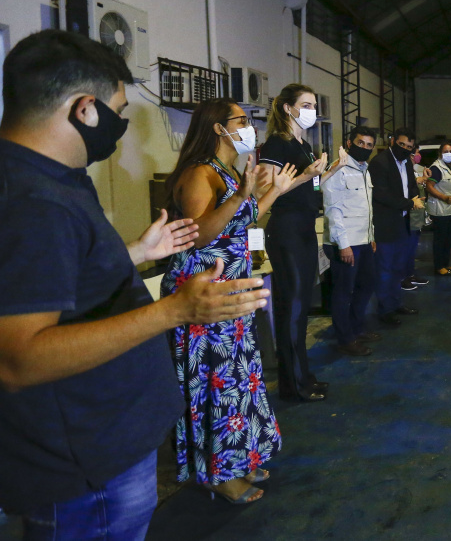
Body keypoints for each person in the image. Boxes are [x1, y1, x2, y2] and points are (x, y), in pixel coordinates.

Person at [0, 30, 271, 537]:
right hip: (86, 465)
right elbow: (18, 357)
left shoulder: (54, 179)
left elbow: (56, 277)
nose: (120, 125)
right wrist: (174, 311)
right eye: (119, 109)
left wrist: (136, 253)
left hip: (107, 443)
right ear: (86, 109)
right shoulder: (31, 200)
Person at [162, 98, 297, 504]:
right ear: (219, 128)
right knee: (216, 384)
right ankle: (216, 473)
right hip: (204, 294)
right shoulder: (199, 173)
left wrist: (276, 191)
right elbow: (200, 234)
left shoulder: (229, 171)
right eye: (242, 120)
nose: (249, 125)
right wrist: (242, 196)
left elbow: (244, 220)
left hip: (231, 291)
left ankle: (238, 457)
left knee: (239, 380)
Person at [259, 84, 336, 403]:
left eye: (314, 105)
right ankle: (292, 384)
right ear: (288, 108)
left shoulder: (303, 144)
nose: (312, 111)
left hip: (305, 228)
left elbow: (311, 185)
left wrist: (330, 171)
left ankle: (303, 373)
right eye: (305, 104)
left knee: (302, 307)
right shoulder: (275, 144)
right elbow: (268, 192)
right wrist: (306, 176)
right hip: (287, 229)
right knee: (291, 307)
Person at [323, 126, 378, 357]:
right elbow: (333, 209)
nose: (364, 148)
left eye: (368, 145)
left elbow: (366, 208)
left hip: (363, 240)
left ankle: (356, 328)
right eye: (360, 143)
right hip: (344, 243)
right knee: (344, 292)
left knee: (366, 285)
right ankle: (345, 339)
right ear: (349, 142)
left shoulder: (365, 170)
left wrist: (371, 236)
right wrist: (343, 244)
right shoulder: (338, 169)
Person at [369, 128, 424, 326]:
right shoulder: (380, 163)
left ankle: (396, 303)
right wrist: (410, 203)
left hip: (402, 222)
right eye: (402, 145)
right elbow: (381, 194)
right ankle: (385, 310)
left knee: (398, 268)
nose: (405, 149)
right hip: (385, 223)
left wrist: (416, 196)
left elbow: (411, 186)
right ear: (393, 141)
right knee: (385, 269)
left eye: (409, 147)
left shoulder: (406, 163)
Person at [426, 142, 451, 275]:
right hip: (441, 210)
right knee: (440, 239)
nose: (448, 153)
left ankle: (446, 264)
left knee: (448, 238)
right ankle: (438, 266)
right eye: (445, 151)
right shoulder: (437, 168)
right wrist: (443, 197)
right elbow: (429, 186)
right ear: (440, 153)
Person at [402, 150, 431, 290]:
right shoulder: (403, 170)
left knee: (412, 249)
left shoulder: (413, 170)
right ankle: (403, 278)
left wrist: (423, 179)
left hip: (416, 217)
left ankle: (410, 274)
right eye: (417, 153)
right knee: (405, 248)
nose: (419, 155)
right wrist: (417, 180)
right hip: (409, 217)